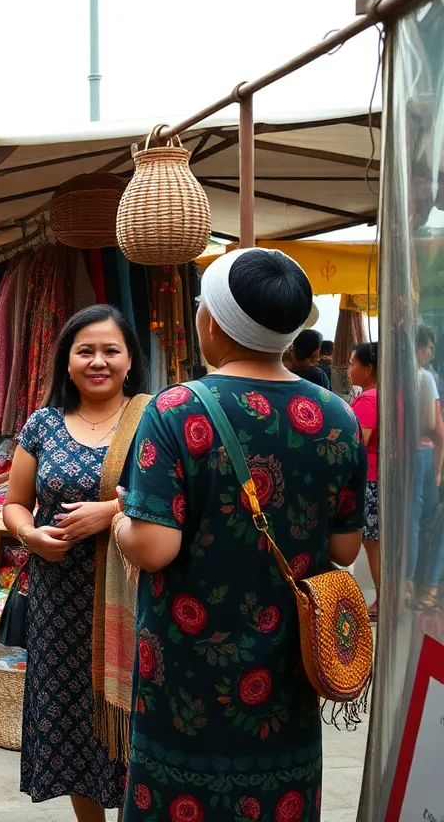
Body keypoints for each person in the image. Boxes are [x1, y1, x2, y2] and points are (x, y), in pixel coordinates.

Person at [113, 248, 367, 822]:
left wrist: (122, 520)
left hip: (185, 674)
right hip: (288, 668)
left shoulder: (176, 408)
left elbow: (154, 547)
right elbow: (345, 549)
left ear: (212, 321)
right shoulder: (337, 414)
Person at [1, 304, 149, 820]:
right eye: (85, 350)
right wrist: (29, 536)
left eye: (111, 350)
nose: (98, 361)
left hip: (135, 600)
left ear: (130, 359)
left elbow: (183, 500)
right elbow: (14, 501)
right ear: (66, 360)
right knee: (73, 722)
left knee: (136, 716)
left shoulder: (154, 420)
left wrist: (109, 511)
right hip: (58, 603)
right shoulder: (42, 424)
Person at [411, 325, 444, 609]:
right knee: (434, 521)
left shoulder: (399, 376)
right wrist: (438, 467)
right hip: (425, 453)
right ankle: (428, 586)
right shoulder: (425, 377)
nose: (431, 353)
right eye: (429, 348)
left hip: (407, 453)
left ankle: (416, 583)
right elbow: (435, 427)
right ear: (420, 348)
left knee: (415, 522)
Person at [349, 342, 380, 618]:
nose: (349, 369)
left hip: (371, 478)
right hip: (381, 477)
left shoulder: (369, 399)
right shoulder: (388, 394)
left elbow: (358, 443)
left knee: (373, 545)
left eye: (352, 363)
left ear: (368, 368)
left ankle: (383, 600)